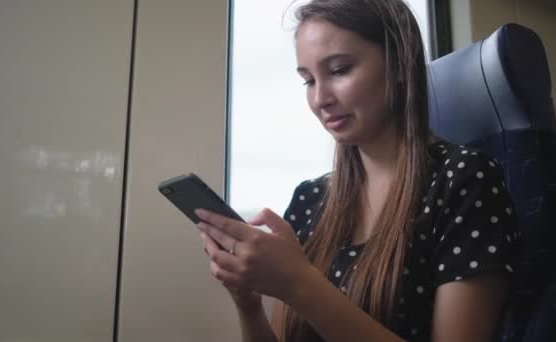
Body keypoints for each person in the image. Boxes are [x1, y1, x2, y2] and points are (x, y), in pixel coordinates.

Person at [195, 0, 519, 341]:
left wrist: (298, 283)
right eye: (308, 81)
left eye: (338, 71)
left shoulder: (464, 180)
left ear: (398, 63)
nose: (320, 99)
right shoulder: (310, 199)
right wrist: (247, 302)